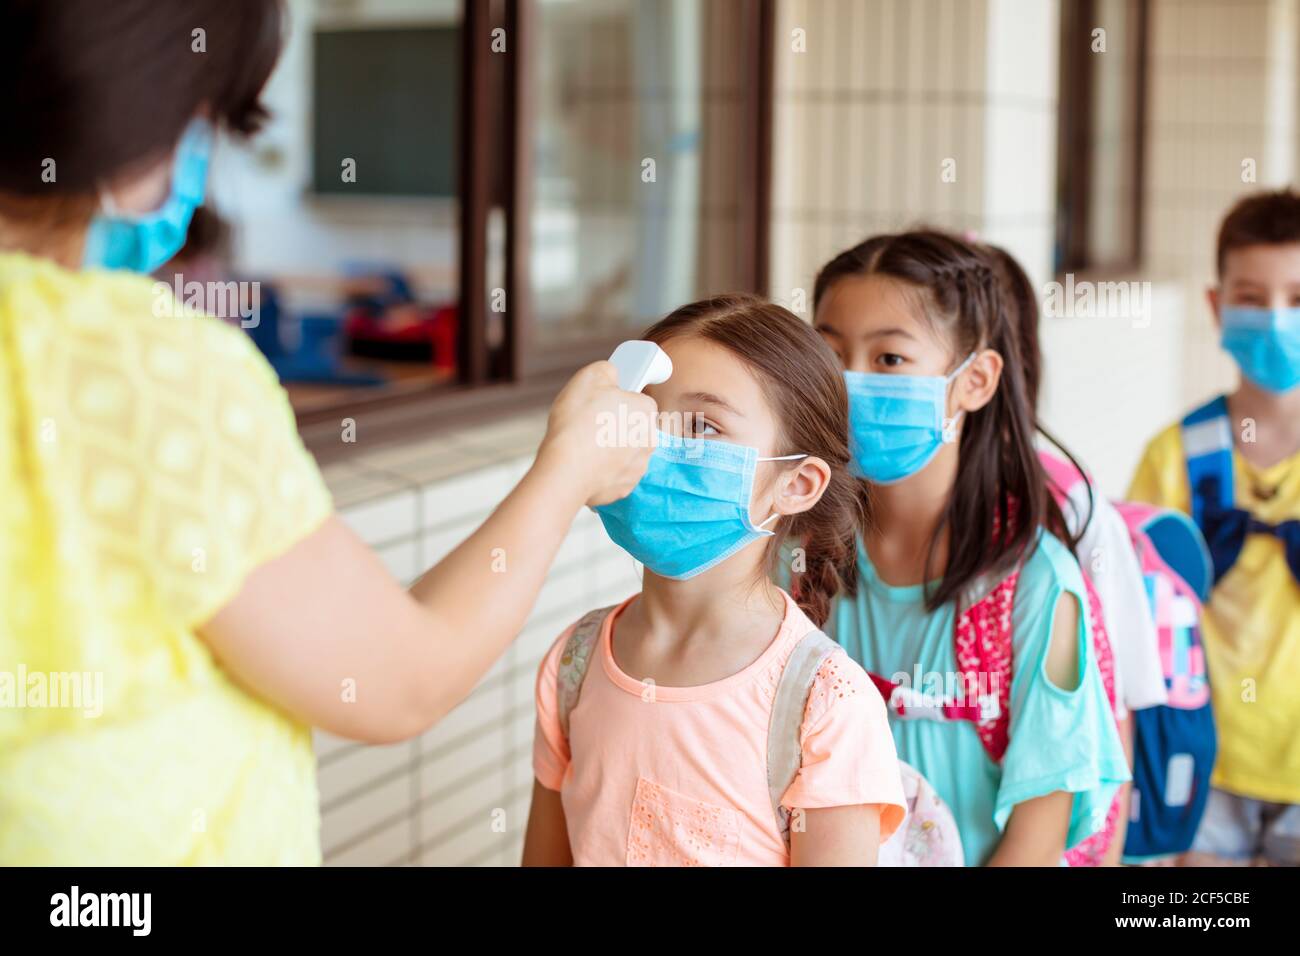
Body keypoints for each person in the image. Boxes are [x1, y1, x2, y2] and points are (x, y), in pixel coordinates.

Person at [0, 0, 653, 864]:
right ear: (136, 107)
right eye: (210, 118)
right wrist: (566, 470)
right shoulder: (133, 365)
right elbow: (402, 680)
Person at [522, 296, 906, 866]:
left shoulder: (825, 704)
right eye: (645, 416)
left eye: (704, 426)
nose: (659, 445)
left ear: (796, 484)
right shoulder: (575, 660)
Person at [812, 229, 1129, 866]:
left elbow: (1036, 841)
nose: (850, 382)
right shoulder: (800, 561)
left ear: (975, 380)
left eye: (890, 359)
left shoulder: (1035, 586)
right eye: (829, 354)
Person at [1128, 189, 1300, 866]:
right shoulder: (1176, 455)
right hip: (1201, 756)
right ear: (1216, 305)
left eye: (1296, 294)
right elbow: (1134, 607)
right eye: (1252, 296)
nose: (1276, 317)